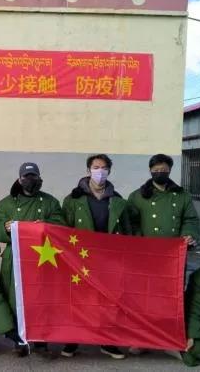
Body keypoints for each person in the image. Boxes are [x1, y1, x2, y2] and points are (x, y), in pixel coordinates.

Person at [60, 154, 131, 359]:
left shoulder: (118, 200)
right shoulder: (73, 199)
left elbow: (128, 231)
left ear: (109, 171)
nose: (100, 171)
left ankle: (107, 342)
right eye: (96, 167)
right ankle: (73, 339)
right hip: (80, 258)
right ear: (88, 170)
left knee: (108, 300)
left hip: (108, 259)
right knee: (79, 299)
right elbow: (63, 229)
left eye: (104, 168)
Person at [0, 162, 63, 351]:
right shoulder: (6, 203)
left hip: (42, 258)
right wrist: (5, 227)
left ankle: (41, 339)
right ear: (19, 179)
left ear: (40, 179)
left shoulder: (50, 202)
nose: (30, 180)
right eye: (26, 176)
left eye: (34, 176)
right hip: (15, 258)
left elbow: (61, 225)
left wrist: (45, 225)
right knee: (16, 298)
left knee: (40, 298)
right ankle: (19, 340)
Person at [127, 154, 199, 244]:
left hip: (174, 247)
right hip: (146, 246)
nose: (160, 172)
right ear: (150, 171)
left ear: (169, 170)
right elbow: (131, 223)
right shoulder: (137, 196)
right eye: (156, 170)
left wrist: (188, 234)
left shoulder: (182, 195)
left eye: (164, 170)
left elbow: (190, 219)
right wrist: (138, 240)